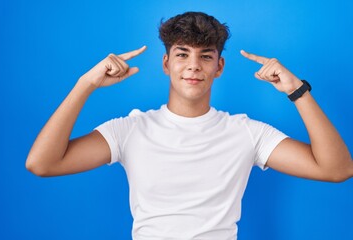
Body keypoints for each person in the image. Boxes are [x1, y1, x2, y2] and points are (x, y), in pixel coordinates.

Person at [26, 11, 352, 239]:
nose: (193, 66)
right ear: (166, 63)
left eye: (205, 56)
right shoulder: (130, 129)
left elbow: (336, 169)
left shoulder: (246, 132)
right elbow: (43, 163)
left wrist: (297, 91)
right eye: (182, 55)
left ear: (219, 66)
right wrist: (85, 84)